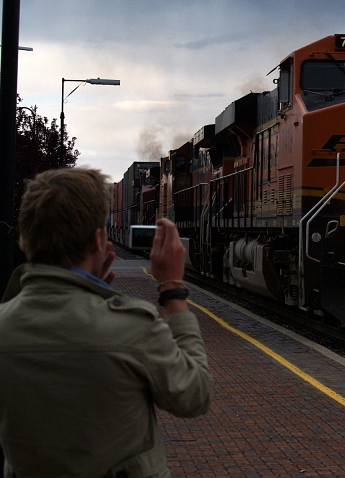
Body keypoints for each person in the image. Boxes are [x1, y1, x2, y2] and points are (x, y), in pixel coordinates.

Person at [0, 167, 212, 478]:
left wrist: (85, 288)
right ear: (100, 239)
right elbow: (195, 395)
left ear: (26, 238)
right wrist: (172, 290)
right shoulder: (132, 327)